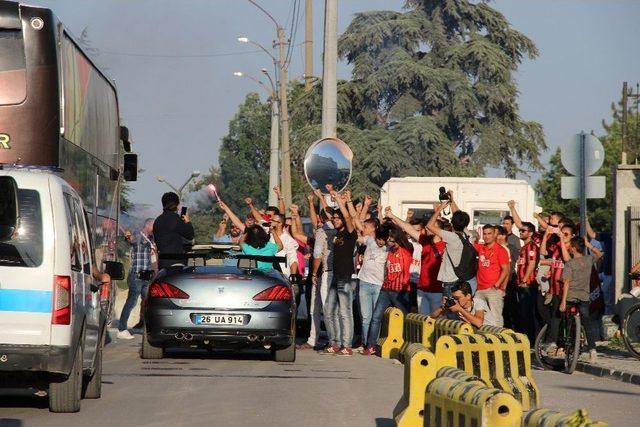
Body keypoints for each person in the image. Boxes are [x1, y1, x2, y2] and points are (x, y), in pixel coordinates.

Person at [363, 225, 414, 355]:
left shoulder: (406, 252)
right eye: (389, 240)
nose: (389, 243)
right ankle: (371, 346)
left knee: (405, 319)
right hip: (386, 290)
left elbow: (406, 273)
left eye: (392, 240)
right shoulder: (389, 251)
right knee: (376, 317)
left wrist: (404, 288)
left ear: (398, 240)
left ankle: (407, 346)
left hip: (400, 291)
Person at [323, 189, 358, 356]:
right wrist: (324, 198)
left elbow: (350, 219)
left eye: (338, 219)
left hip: (346, 277)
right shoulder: (336, 234)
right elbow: (327, 213)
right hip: (335, 277)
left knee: (345, 312)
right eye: (334, 219)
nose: (335, 221)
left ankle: (347, 345)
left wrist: (340, 201)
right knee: (329, 310)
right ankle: (334, 342)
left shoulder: (350, 233)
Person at [560, 237, 602, 362]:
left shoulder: (570, 264)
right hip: (584, 296)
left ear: (572, 248)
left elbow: (566, 282)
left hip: (571, 296)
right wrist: (589, 245)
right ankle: (593, 350)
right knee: (587, 322)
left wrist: (563, 301)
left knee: (566, 319)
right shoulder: (589, 260)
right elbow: (599, 254)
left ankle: (566, 345)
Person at [118, 219, 156, 340]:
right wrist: (128, 237)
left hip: (146, 275)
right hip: (136, 275)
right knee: (132, 301)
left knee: (146, 301)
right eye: (154, 226)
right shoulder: (139, 236)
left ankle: (143, 325)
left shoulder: (150, 239)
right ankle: (122, 328)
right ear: (148, 225)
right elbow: (131, 240)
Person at [426, 201, 474, 297]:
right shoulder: (468, 235)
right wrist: (452, 200)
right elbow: (459, 217)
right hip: (462, 279)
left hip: (450, 281)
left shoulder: (452, 237)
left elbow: (429, 226)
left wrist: (439, 209)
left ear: (452, 223)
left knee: (449, 310)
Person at [356, 225, 389, 351]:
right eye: (379, 239)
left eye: (383, 240)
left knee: (376, 317)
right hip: (364, 282)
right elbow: (357, 235)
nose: (381, 242)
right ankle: (365, 343)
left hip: (378, 285)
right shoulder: (370, 240)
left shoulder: (389, 248)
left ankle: (373, 343)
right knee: (366, 317)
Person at [474, 224, 510, 327]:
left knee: (496, 318)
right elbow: (467, 243)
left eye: (489, 233)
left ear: (495, 234)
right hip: (480, 289)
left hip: (493, 289)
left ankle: (499, 340)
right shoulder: (481, 247)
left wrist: (498, 285)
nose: (486, 236)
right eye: (484, 234)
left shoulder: (501, 250)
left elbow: (506, 270)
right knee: (478, 317)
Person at [153, 192, 195, 269]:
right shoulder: (176, 219)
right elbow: (190, 235)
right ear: (177, 205)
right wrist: (187, 222)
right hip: (176, 262)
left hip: (162, 262)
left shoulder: (157, 221)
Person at [515, 221, 539, 344]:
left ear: (530, 233)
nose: (520, 232)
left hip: (528, 284)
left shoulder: (531, 246)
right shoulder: (524, 246)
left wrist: (524, 280)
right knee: (523, 313)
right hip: (521, 283)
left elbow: (532, 263)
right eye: (520, 230)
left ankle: (531, 340)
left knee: (528, 313)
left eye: (523, 230)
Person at [429, 281, 494, 327]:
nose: (455, 300)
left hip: (491, 335)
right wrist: (442, 307)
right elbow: (432, 316)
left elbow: (478, 323)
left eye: (458, 298)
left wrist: (460, 309)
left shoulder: (478, 302)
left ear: (468, 296)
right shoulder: (457, 304)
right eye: (454, 297)